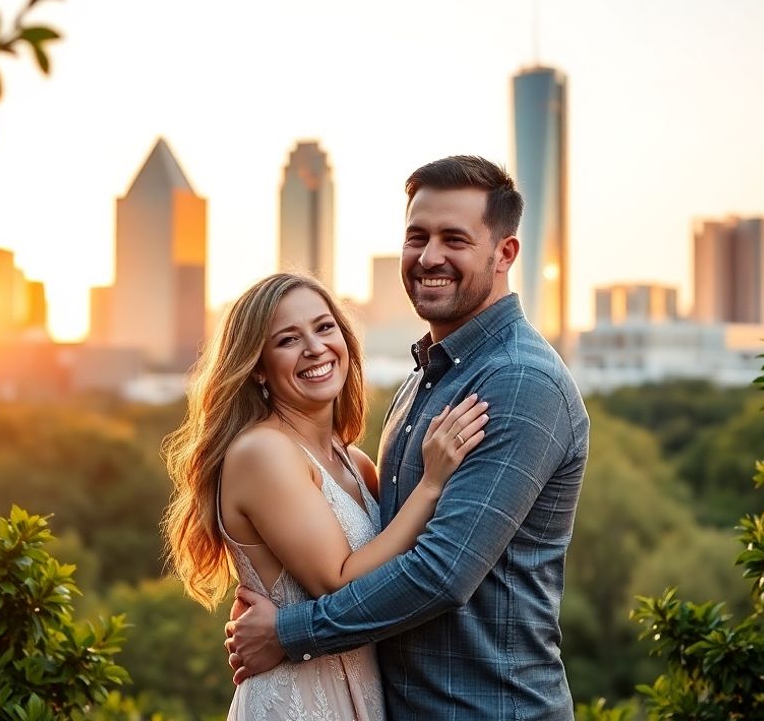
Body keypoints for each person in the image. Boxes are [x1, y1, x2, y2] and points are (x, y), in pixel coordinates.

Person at [225, 156, 590, 719]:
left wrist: (289, 630)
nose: (430, 256)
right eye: (417, 236)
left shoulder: (517, 381)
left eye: (454, 239)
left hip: (487, 708)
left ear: (505, 254)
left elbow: (440, 574)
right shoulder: (428, 375)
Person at [163, 272, 491, 720]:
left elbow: (400, 564)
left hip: (362, 692)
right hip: (298, 701)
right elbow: (337, 582)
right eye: (287, 340)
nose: (314, 348)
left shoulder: (356, 464)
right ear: (257, 366)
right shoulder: (263, 451)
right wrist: (431, 485)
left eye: (323, 327)